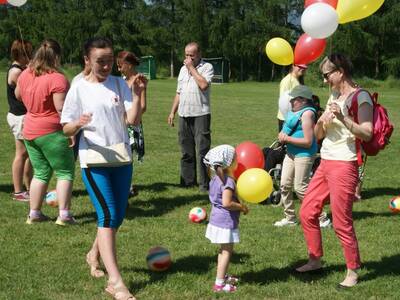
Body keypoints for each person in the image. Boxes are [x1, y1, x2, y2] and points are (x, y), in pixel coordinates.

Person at [61, 37, 143, 300]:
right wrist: (78, 124)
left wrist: (139, 94)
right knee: (107, 217)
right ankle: (116, 283)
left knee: (117, 216)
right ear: (87, 60)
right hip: (93, 160)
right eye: (100, 61)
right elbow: (65, 127)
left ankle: (93, 253)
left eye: (110, 61)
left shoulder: (119, 84)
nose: (106, 66)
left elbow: (132, 120)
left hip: (121, 158)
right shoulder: (78, 87)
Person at [295, 54, 373, 289]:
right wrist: (321, 122)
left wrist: (343, 117)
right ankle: (315, 260)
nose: (325, 80)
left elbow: (367, 133)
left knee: (341, 222)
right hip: (325, 161)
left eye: (327, 74)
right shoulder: (334, 94)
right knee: (307, 212)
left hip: (345, 164)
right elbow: (319, 136)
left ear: (340, 71)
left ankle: (352, 270)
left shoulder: (362, 97)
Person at [15, 39, 76, 225]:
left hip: (30, 130)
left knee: (41, 173)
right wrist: (71, 131)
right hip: (52, 132)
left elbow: (18, 95)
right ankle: (64, 215)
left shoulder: (25, 73)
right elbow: (61, 109)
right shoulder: (58, 78)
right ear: (56, 56)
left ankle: (34, 213)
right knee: (65, 172)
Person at [274, 85, 331, 228]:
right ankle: (290, 218)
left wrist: (286, 139)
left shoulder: (307, 114)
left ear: (303, 100)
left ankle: (322, 218)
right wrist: (282, 136)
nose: (291, 101)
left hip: (304, 154)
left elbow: (307, 142)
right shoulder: (294, 111)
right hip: (291, 153)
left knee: (300, 188)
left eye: (294, 99)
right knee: (284, 184)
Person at [167, 42, 214, 192]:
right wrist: (172, 112)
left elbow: (204, 85)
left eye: (191, 55)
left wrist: (191, 68)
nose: (188, 58)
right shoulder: (182, 70)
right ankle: (188, 182)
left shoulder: (207, 67)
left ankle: (204, 184)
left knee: (203, 151)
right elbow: (178, 93)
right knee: (186, 150)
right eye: (186, 55)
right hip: (184, 113)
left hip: (201, 113)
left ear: (199, 54)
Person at [203, 145, 249, 293]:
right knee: (227, 252)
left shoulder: (215, 178)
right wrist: (241, 207)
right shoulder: (228, 181)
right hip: (225, 222)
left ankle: (222, 276)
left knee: (222, 251)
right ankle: (219, 284)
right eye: (236, 158)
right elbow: (227, 203)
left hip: (216, 220)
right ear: (230, 163)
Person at [117, 50, 148, 197]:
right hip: (119, 122)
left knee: (127, 156)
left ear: (128, 65)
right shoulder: (120, 80)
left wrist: (132, 118)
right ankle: (123, 185)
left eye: (120, 65)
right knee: (119, 154)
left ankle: (127, 187)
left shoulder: (139, 80)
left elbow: (143, 106)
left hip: (131, 124)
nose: (118, 69)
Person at [6, 39, 33, 201]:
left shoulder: (21, 70)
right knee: (21, 154)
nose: (30, 57)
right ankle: (18, 191)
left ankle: (30, 187)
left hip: (24, 115)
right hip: (19, 116)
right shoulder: (16, 72)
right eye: (27, 54)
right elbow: (25, 95)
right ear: (20, 54)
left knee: (29, 154)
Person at [277, 64, 308, 132]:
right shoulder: (287, 81)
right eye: (300, 67)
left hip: (295, 118)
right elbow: (284, 102)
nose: (302, 69)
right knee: (285, 141)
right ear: (293, 66)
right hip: (286, 119)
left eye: (304, 67)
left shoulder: (297, 80)